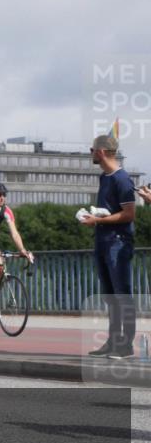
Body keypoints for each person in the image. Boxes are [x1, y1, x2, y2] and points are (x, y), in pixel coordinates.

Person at [82, 134, 137, 359]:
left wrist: (99, 220)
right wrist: (95, 215)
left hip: (118, 242)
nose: (91, 152)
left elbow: (129, 214)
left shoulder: (121, 179)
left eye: (92, 149)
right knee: (110, 295)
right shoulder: (105, 177)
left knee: (122, 294)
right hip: (103, 241)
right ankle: (114, 341)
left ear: (102, 152)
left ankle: (126, 344)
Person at [0, 182, 32, 296]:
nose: (2, 198)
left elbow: (14, 233)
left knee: (0, 265)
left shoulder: (6, 210)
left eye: (4, 195)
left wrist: (22, 250)